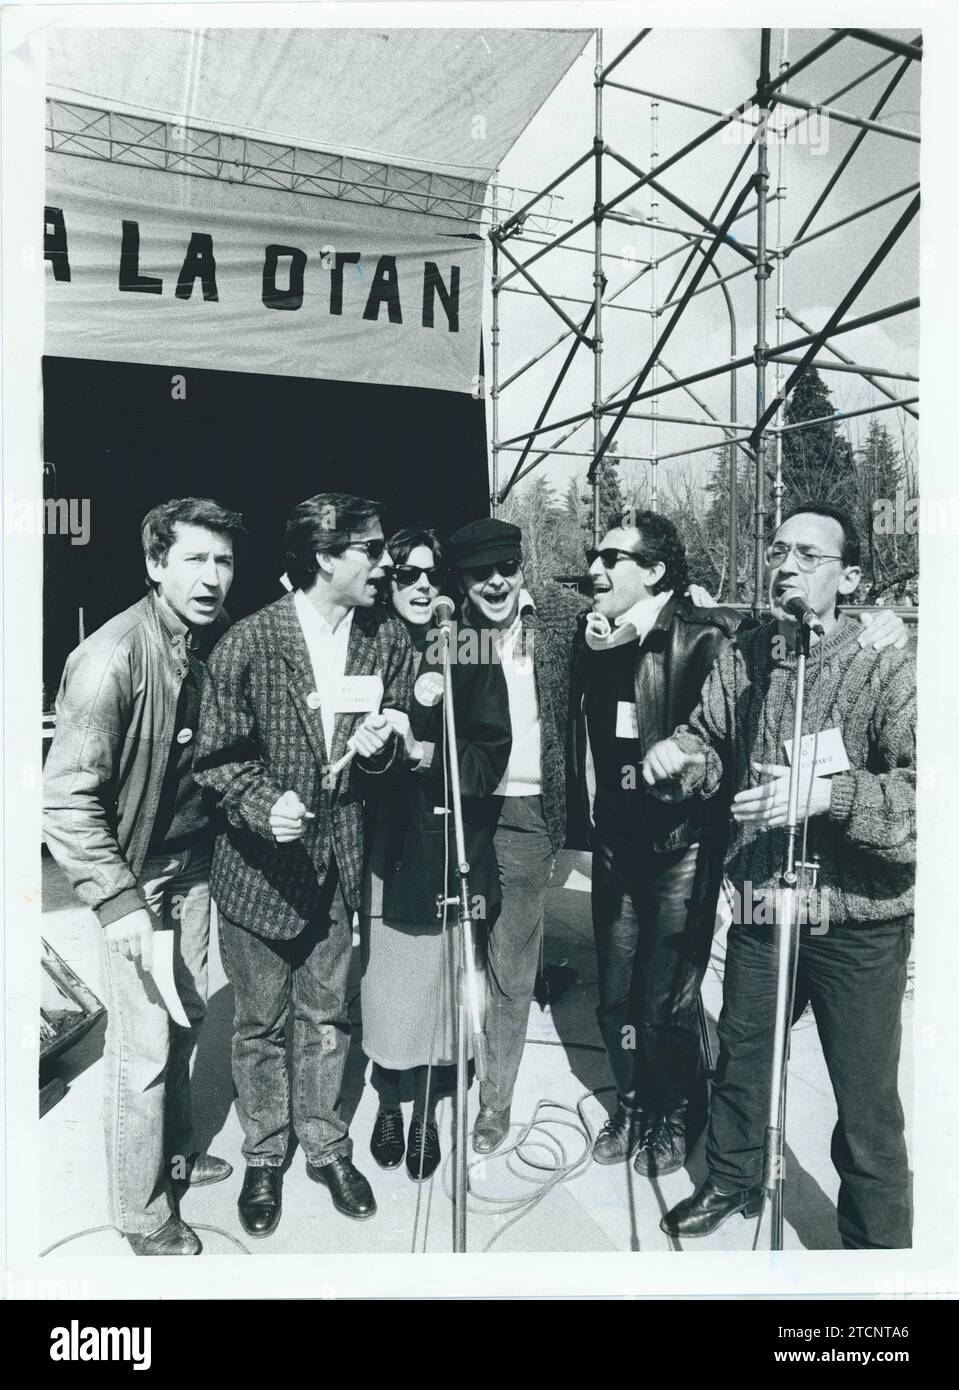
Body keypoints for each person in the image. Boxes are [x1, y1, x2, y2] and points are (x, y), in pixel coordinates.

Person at [645, 504, 915, 1249]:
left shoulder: (888, 661)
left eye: (807, 554)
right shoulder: (749, 651)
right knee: (742, 1055)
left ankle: (876, 1249)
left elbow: (927, 802)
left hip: (859, 918)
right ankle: (732, 1179)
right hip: (766, 897)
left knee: (864, 1100)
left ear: (850, 576)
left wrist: (829, 795)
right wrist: (679, 758)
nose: (785, 565)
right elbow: (706, 741)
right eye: (776, 550)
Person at [193, 493, 413, 1236]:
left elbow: (397, 728)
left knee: (326, 1018)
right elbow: (217, 760)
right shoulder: (248, 643)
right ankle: (264, 1155)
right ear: (325, 558)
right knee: (259, 1025)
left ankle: (324, 1144)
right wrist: (263, 806)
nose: (385, 565)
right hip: (256, 875)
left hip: (337, 870)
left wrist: (386, 746)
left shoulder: (384, 640)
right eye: (372, 550)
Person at [43, 496, 246, 1255]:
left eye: (222, 560)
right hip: (138, 878)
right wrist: (118, 900)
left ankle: (173, 1155)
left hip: (192, 867)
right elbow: (64, 799)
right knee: (142, 1050)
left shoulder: (214, 637)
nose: (211, 576)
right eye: (193, 559)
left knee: (184, 1016)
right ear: (155, 564)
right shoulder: (110, 658)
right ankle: (141, 1213)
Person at [568, 512, 743, 1176]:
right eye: (594, 553)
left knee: (665, 996)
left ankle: (675, 1109)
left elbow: (742, 724)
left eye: (612, 557)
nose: (595, 568)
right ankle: (635, 1101)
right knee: (614, 991)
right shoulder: (595, 635)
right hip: (616, 840)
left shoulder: (708, 637)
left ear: (655, 572)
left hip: (680, 845)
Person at [360, 528, 511, 1180]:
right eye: (404, 575)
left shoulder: (468, 645)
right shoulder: (361, 645)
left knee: (436, 987)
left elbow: (490, 756)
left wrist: (425, 756)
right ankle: (387, 1102)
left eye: (429, 573)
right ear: (384, 583)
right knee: (386, 987)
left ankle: (423, 1111)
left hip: (445, 844)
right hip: (377, 849)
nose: (420, 585)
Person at [444, 519, 584, 1154]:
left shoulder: (560, 616)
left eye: (506, 568)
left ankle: (494, 1098)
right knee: (453, 947)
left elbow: (654, 616)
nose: (495, 582)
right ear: (463, 579)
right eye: (480, 574)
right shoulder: (449, 630)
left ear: (522, 566)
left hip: (528, 810)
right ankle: (430, 1075)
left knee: (512, 955)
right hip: (459, 809)